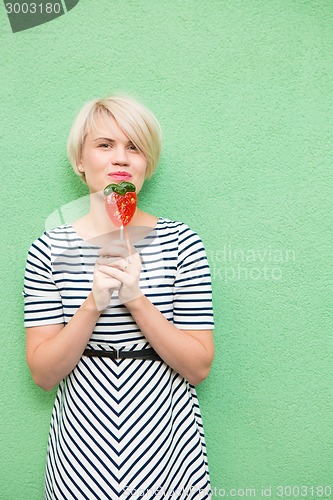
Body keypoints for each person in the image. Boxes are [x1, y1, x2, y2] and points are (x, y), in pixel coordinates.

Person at [23, 94, 215, 499]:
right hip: (81, 448)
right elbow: (43, 374)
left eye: (134, 147)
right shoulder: (49, 248)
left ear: (148, 164)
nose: (121, 159)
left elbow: (198, 368)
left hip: (168, 445)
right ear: (80, 160)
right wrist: (93, 302)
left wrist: (136, 299)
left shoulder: (183, 244)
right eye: (104, 145)